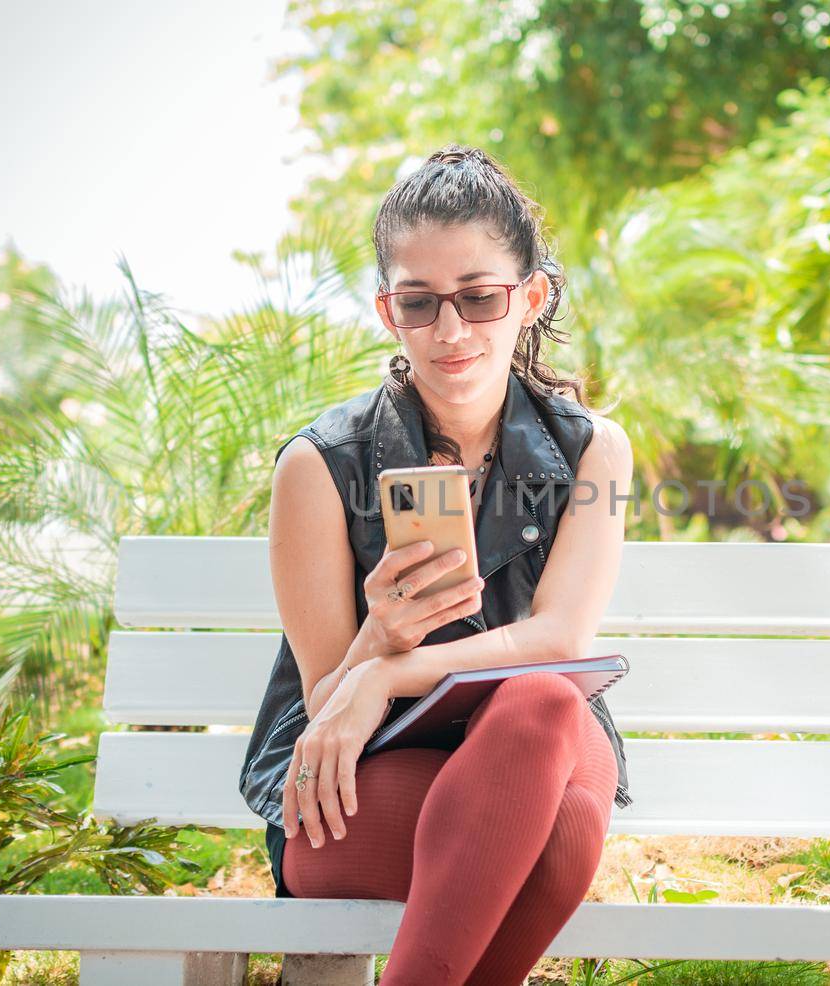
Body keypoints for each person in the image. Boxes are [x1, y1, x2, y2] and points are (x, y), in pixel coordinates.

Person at [236, 143, 634, 985]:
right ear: (388, 312)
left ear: (529, 298)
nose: (450, 332)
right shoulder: (320, 465)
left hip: (542, 746)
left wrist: (395, 670)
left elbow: (561, 637)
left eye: (479, 297)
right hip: (365, 775)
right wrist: (376, 642)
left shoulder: (593, 450)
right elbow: (325, 703)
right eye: (420, 303)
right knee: (554, 838)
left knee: (541, 708)